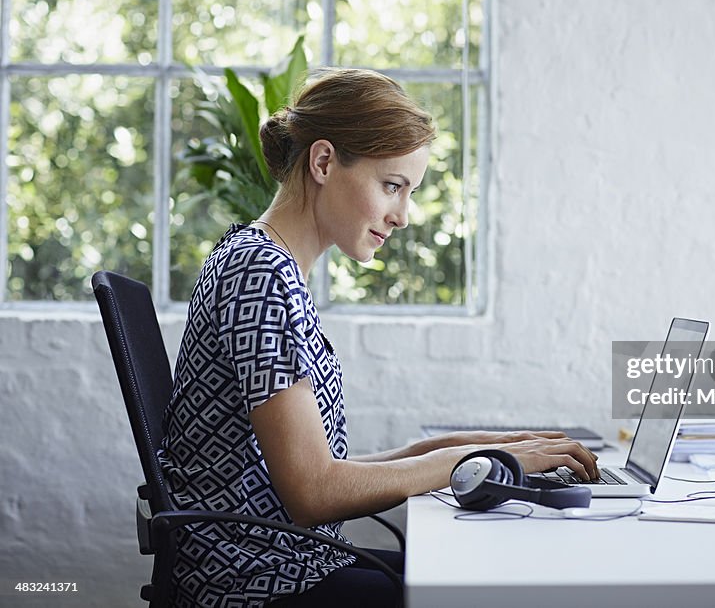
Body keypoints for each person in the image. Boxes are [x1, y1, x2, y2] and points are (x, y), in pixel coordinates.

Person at [158, 68, 599, 608]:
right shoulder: (261, 274)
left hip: (292, 563)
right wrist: (485, 456)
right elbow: (314, 492)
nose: (404, 216)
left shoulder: (265, 263)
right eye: (392, 186)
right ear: (323, 162)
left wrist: (489, 448)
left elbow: (322, 471)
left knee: (492, 575)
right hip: (261, 584)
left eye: (409, 192)